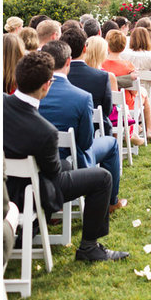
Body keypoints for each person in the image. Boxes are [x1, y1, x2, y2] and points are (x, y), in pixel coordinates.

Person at [3, 52, 128, 262]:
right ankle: (89, 247)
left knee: (66, 165)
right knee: (102, 177)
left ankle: (31, 229)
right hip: (31, 193)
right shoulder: (45, 132)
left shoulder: (0, 104)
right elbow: (54, 175)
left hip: (4, 188)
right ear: (46, 85)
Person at [39, 40, 127, 212]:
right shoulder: (82, 97)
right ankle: (111, 201)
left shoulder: (32, 92)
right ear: (67, 62)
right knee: (112, 143)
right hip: (70, 158)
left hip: (38, 158)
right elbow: (86, 142)